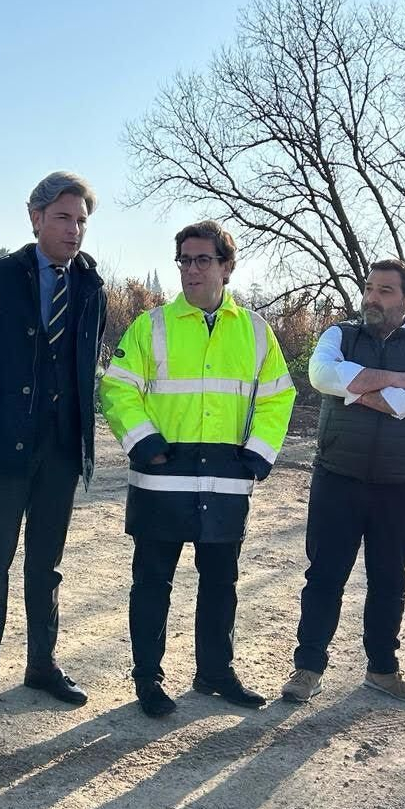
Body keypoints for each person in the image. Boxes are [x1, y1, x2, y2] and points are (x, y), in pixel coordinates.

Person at [100, 220, 295, 718]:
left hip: (227, 476)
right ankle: (148, 679)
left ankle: (215, 673)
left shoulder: (255, 331)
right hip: (162, 474)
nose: (191, 269)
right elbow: (117, 388)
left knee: (220, 584)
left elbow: (277, 396)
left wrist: (258, 452)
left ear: (226, 267)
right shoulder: (152, 326)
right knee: (152, 583)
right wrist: (145, 444)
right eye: (184, 260)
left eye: (203, 259)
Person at [0, 172, 107, 715]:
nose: (74, 230)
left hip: (62, 448)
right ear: (36, 217)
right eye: (63, 218)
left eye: (81, 221)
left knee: (47, 564)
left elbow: (86, 360)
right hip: (5, 447)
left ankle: (42, 665)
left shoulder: (90, 283)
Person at [284, 258, 405, 706]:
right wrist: (398, 380)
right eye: (369, 288)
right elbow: (322, 375)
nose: (372, 298)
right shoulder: (340, 335)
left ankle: (382, 670)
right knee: (324, 576)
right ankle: (308, 669)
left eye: (384, 291)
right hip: (337, 476)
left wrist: (355, 390)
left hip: (400, 484)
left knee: (389, 580)